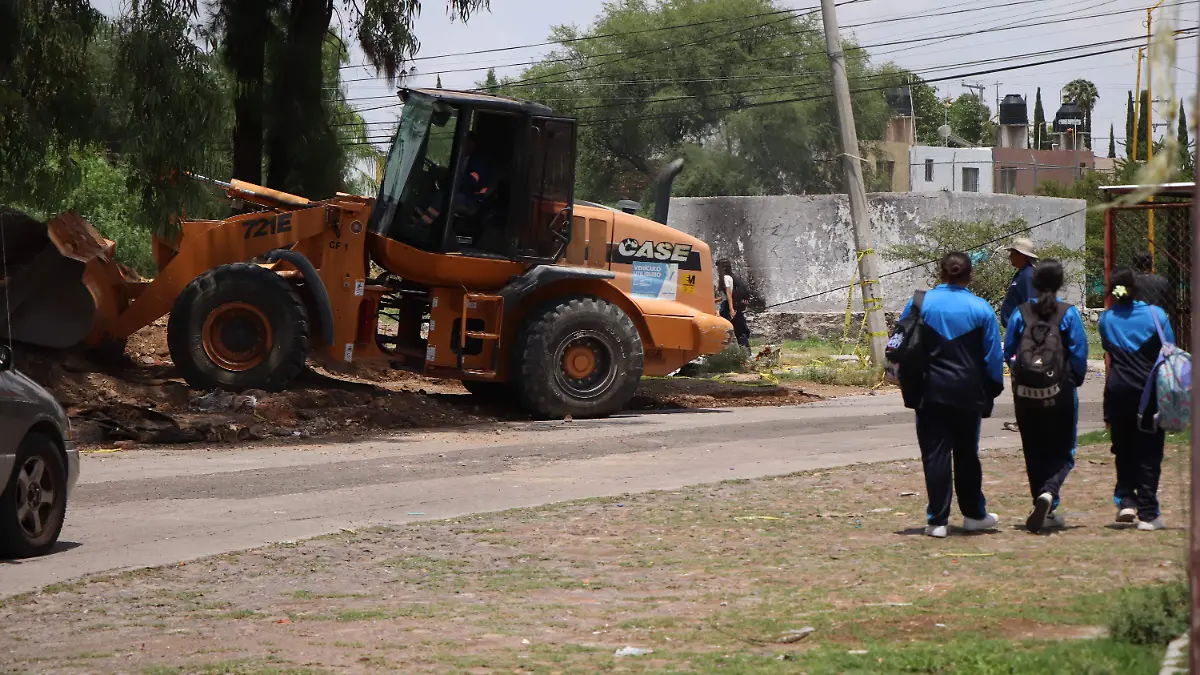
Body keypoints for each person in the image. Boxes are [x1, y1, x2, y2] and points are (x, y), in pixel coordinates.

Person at [897, 251, 1004, 538]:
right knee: (967, 454)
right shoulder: (981, 308)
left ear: (940, 273)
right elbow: (993, 358)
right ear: (970, 275)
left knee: (935, 455)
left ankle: (937, 521)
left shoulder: (920, 302)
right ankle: (974, 515)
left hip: (929, 391)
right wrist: (992, 389)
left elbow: (901, 342)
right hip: (968, 392)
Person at [1003, 259, 1088, 533]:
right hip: (1060, 393)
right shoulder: (1068, 313)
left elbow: (1009, 352)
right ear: (1060, 283)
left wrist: (1022, 377)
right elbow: (1078, 354)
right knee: (1064, 450)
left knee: (1034, 449)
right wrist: (1073, 379)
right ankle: (1050, 493)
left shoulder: (1020, 313)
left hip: (1026, 395)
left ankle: (1042, 500)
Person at [1099, 267, 1175, 531]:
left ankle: (1126, 501)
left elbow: (1110, 350)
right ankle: (1149, 512)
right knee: (1150, 452)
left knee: (1123, 448)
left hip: (1118, 390)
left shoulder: (1106, 319)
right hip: (1150, 392)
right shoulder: (1157, 315)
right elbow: (1169, 352)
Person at [999, 238, 1039, 434]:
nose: (1010, 257)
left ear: (1021, 255)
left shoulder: (1028, 277)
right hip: (1019, 334)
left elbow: (1030, 307)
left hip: (1025, 337)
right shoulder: (1022, 274)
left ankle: (1027, 420)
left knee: (1024, 379)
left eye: (1013, 253)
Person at [717, 259, 751, 350]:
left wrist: (731, 309)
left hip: (728, 306)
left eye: (718, 267)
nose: (717, 270)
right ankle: (746, 352)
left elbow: (729, 294)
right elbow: (725, 296)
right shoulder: (732, 278)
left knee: (721, 329)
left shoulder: (725, 278)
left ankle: (719, 351)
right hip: (732, 305)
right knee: (740, 329)